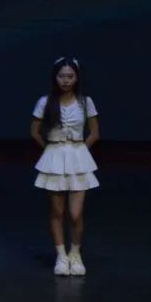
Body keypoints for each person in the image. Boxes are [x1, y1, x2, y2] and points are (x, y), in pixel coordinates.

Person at [30, 56, 100, 276]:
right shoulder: (45, 101)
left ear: (77, 78)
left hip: (78, 158)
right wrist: (50, 150)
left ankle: (75, 253)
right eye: (62, 76)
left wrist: (81, 150)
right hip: (55, 157)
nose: (66, 80)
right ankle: (61, 255)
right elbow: (34, 132)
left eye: (70, 76)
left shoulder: (85, 101)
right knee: (57, 212)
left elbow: (95, 133)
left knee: (76, 214)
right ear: (55, 77)